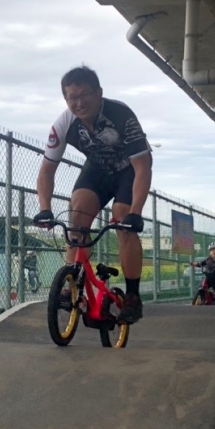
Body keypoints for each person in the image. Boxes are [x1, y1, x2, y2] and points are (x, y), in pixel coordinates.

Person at [34, 66, 152, 324]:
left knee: (123, 221)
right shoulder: (63, 124)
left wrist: (136, 212)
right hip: (98, 169)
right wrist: (45, 208)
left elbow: (143, 167)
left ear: (99, 93)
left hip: (128, 170)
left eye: (84, 95)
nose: (78, 103)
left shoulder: (121, 115)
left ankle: (132, 296)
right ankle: (73, 282)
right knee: (77, 215)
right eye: (71, 98)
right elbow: (46, 171)